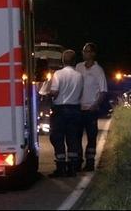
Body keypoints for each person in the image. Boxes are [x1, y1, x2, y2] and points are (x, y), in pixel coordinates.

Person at [48, 50, 83, 178]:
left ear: (63, 60)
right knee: (72, 138)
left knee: (57, 138)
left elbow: (55, 92)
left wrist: (48, 93)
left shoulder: (58, 74)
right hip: (75, 109)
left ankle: (61, 167)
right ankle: (72, 168)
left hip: (60, 110)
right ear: (74, 61)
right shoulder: (79, 75)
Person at [75, 43, 108, 171]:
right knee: (76, 137)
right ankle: (77, 161)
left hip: (90, 110)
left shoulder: (98, 70)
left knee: (91, 137)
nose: (85, 54)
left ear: (93, 53)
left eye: (88, 51)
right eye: (84, 51)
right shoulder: (78, 67)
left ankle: (89, 162)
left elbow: (103, 91)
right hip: (78, 108)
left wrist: (96, 105)